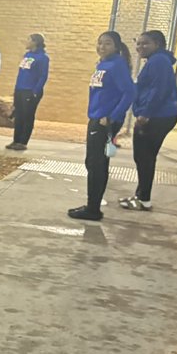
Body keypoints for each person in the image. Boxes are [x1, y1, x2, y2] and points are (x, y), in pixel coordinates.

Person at [68, 32, 135, 221]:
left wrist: (113, 117)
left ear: (116, 46)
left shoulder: (117, 65)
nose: (102, 47)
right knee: (93, 162)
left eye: (107, 43)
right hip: (96, 117)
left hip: (104, 120)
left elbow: (129, 92)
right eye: (99, 43)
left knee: (96, 163)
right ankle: (92, 204)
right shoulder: (103, 64)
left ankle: (93, 208)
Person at [119, 31, 177, 211]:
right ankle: (141, 196)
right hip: (158, 114)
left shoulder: (158, 61)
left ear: (158, 44)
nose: (140, 47)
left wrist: (146, 113)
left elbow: (158, 89)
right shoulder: (157, 60)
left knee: (144, 157)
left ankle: (143, 199)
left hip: (157, 116)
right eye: (138, 43)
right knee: (145, 157)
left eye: (146, 44)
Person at [7, 33, 50, 150]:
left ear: (35, 42)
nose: (26, 42)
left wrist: (35, 91)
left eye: (29, 40)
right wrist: (16, 89)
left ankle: (23, 142)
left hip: (30, 90)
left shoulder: (43, 58)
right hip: (20, 89)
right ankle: (16, 140)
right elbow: (21, 73)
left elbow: (43, 76)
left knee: (27, 116)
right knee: (18, 115)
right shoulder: (27, 55)